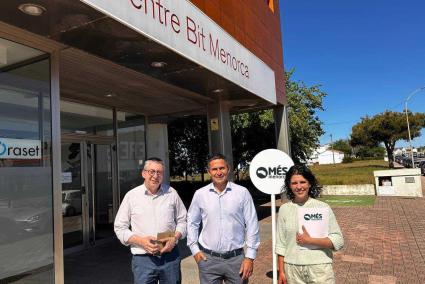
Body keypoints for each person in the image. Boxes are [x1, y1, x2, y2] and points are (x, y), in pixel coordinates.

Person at [187, 153, 260, 284]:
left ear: (228, 169)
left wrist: (250, 257)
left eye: (222, 168)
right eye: (215, 169)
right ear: (209, 172)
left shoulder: (242, 193)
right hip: (208, 260)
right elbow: (192, 223)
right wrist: (194, 250)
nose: (219, 172)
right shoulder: (200, 194)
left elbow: (252, 224)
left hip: (236, 260)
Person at [114, 157, 187, 284]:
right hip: (143, 259)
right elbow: (120, 227)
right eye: (151, 171)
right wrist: (140, 241)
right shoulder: (132, 196)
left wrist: (174, 238)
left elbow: (184, 220)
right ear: (143, 173)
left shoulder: (172, 193)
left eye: (159, 172)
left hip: (170, 258)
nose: (155, 176)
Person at [276, 164, 344, 284]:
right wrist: (281, 271)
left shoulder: (323, 207)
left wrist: (310, 240)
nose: (299, 187)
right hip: (292, 270)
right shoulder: (284, 209)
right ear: (289, 185)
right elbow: (281, 244)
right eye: (294, 183)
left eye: (303, 182)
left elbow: (338, 241)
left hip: (320, 269)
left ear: (309, 184)